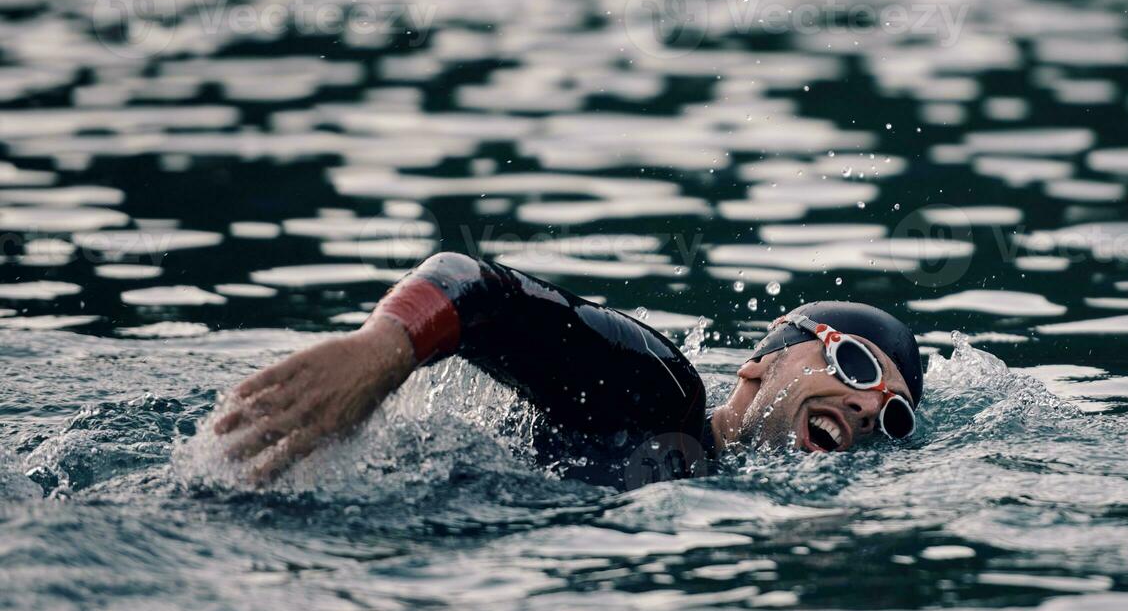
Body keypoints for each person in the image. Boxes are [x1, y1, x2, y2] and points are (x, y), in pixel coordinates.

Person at [212, 252, 923, 488]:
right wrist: (381, 350)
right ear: (758, 367)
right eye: (855, 366)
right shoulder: (658, 392)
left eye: (892, 416)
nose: (868, 409)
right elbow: (479, 286)